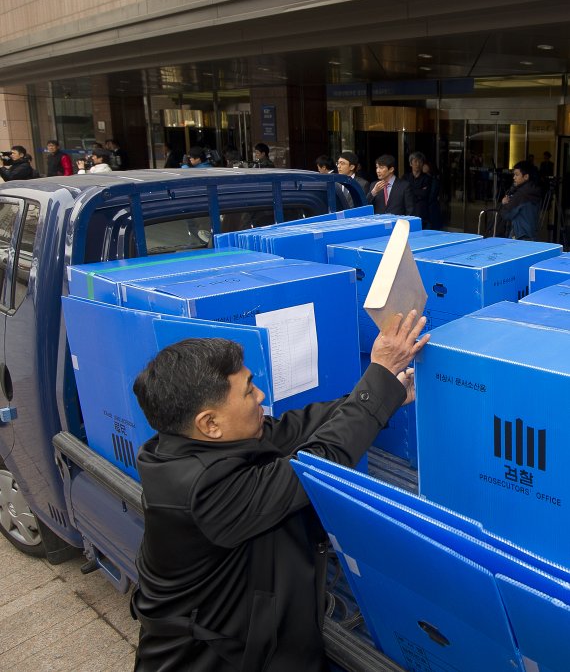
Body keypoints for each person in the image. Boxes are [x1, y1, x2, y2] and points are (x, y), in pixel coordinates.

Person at [131, 312, 428, 672]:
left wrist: (387, 392)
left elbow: (296, 428)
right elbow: (320, 461)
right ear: (210, 423)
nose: (260, 394)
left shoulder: (192, 443)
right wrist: (380, 374)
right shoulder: (204, 493)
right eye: (247, 391)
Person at [497, 159, 542, 240]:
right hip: (531, 234)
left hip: (520, 235)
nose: (514, 178)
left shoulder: (521, 194)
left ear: (526, 177)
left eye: (517, 175)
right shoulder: (533, 190)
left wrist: (504, 203)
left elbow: (507, 214)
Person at [402, 151, 432, 228]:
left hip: (421, 211)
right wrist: (419, 190)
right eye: (415, 161)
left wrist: (410, 190)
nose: (417, 164)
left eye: (420, 161)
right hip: (407, 210)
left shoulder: (427, 178)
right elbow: (403, 193)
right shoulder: (405, 177)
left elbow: (424, 194)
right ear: (410, 164)